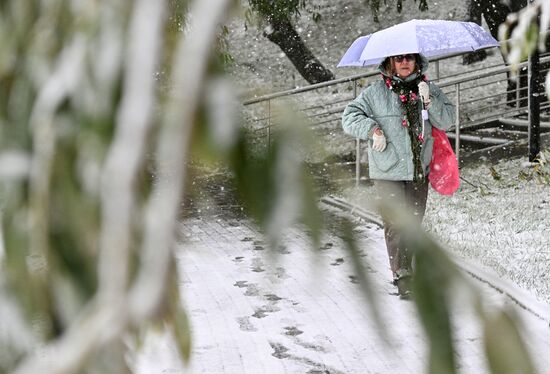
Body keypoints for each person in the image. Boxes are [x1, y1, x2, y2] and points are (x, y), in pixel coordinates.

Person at [341, 53, 456, 298]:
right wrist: (373, 130)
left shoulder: (428, 89)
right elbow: (349, 117)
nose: (404, 63)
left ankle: (407, 268)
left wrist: (430, 101)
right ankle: (402, 274)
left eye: (409, 59)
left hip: (417, 169)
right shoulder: (375, 93)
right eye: (398, 59)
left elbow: (447, 120)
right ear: (390, 63)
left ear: (416, 62)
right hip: (387, 170)